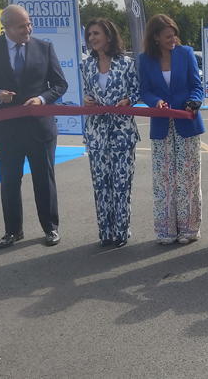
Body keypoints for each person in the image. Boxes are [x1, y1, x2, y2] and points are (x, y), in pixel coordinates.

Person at [0, 4, 68, 248]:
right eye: (22, 26)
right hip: (6, 128)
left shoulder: (44, 47)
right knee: (10, 180)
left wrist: (41, 99)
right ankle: (13, 231)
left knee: (44, 179)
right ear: (7, 28)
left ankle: (51, 228)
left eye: (29, 24)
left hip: (40, 127)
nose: (28, 29)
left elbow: (60, 84)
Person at [138, 14, 205, 245]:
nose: (173, 39)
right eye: (167, 36)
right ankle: (165, 230)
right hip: (161, 126)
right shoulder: (145, 59)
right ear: (155, 37)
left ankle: (189, 229)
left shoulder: (186, 53)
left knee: (188, 179)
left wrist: (193, 103)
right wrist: (155, 101)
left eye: (174, 34)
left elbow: (197, 86)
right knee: (163, 180)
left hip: (187, 123)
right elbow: (144, 90)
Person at [80, 18, 140, 248]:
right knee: (101, 184)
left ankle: (122, 231)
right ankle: (105, 232)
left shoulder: (126, 63)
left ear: (108, 35)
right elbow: (85, 93)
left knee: (121, 184)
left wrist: (129, 100)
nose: (92, 38)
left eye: (95, 33)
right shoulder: (85, 65)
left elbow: (136, 92)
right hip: (96, 133)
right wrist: (85, 100)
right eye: (89, 35)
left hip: (122, 131)